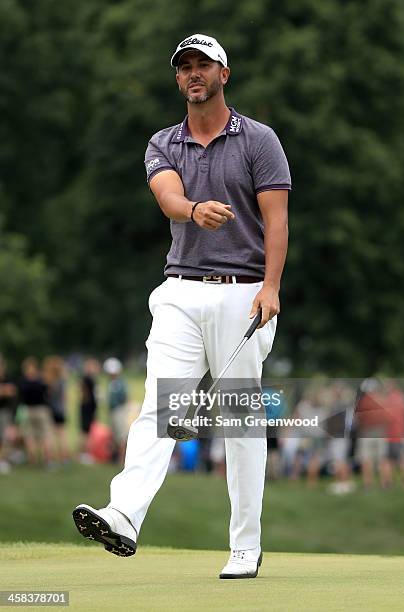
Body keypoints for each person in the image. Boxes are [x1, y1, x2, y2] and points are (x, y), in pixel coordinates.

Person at [73, 33, 291, 578]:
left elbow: (278, 220)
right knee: (159, 407)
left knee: (239, 424)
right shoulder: (163, 142)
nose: (194, 73)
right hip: (180, 291)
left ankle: (245, 544)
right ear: (177, 79)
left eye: (204, 65)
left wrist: (271, 286)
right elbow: (168, 198)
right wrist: (193, 211)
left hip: (243, 291)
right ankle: (123, 513)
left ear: (224, 73)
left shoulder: (259, 140)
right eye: (185, 67)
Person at [19, 357, 54, 466]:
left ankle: (32, 460)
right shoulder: (41, 381)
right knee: (45, 436)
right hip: (41, 410)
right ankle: (47, 460)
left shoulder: (23, 381)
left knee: (30, 437)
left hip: (28, 410)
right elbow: (48, 394)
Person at [43, 356, 71, 464]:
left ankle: (50, 458)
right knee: (62, 435)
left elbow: (47, 396)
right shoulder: (63, 381)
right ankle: (64, 458)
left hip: (51, 410)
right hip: (61, 410)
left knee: (49, 435)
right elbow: (65, 397)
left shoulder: (49, 381)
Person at [103, 357, 129, 465]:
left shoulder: (119, 383)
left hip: (119, 411)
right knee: (116, 436)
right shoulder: (111, 383)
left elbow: (124, 398)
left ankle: (122, 460)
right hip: (113, 411)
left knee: (121, 437)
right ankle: (116, 458)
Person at [78, 358, 99, 464]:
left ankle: (84, 453)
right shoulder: (87, 379)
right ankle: (84, 453)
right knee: (86, 432)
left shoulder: (88, 379)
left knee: (86, 431)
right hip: (87, 408)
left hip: (88, 408)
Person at [0, 356, 18, 474]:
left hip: (5, 411)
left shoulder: (7, 377)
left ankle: (2, 460)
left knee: (4, 437)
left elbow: (13, 391)